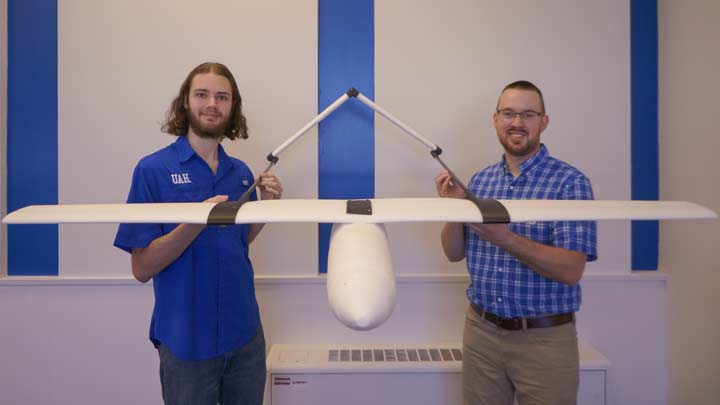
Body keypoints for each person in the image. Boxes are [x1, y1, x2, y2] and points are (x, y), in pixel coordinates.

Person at [114, 62, 282, 405]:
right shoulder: (153, 170)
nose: (212, 104)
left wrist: (266, 208)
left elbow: (238, 242)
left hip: (244, 335)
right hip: (186, 342)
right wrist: (195, 221)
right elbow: (141, 268)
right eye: (202, 94)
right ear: (185, 102)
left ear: (232, 107)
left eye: (223, 97)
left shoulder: (241, 173)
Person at [435, 80, 597, 405]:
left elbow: (571, 270)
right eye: (508, 113)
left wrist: (505, 238)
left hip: (544, 341)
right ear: (495, 119)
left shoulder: (570, 183)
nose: (517, 123)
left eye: (528, 114)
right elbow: (453, 253)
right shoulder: (480, 181)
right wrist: (457, 208)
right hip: (481, 333)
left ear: (544, 122)